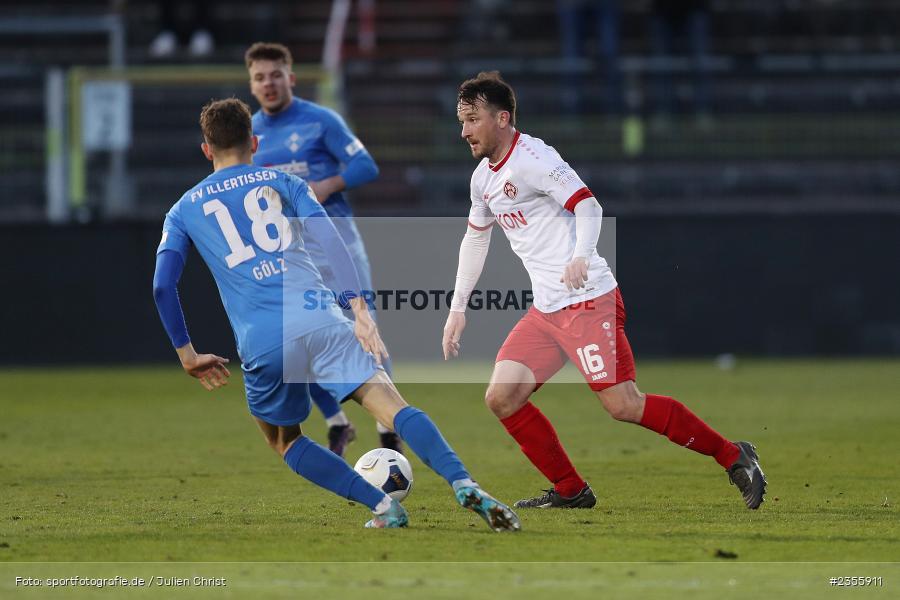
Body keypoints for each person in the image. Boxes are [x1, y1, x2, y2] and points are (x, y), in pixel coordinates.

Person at [152, 98, 520, 531]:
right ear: (254, 142)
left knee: (285, 440)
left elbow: (162, 285)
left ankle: (383, 508)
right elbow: (330, 241)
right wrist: (361, 311)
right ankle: (463, 482)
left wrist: (187, 355)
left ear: (206, 149)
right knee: (392, 406)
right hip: (322, 319)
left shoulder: (183, 208)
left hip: (263, 341)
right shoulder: (284, 182)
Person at [442, 71, 766, 510]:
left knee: (623, 404)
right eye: (461, 121)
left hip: (587, 299)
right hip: (548, 310)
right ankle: (571, 490)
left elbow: (588, 204)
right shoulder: (483, 179)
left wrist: (581, 254)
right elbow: (477, 238)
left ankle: (734, 456)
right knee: (501, 397)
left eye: (472, 119)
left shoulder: (535, 158)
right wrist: (458, 307)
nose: (464, 131)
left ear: (502, 118)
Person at [244, 42, 400, 457]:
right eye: (260, 77)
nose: (269, 83)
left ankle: (390, 428)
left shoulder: (320, 120)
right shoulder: (251, 134)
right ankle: (338, 423)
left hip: (337, 243)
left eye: (276, 74)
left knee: (366, 332)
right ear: (252, 84)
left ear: (290, 78)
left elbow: (366, 166)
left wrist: (323, 187)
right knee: (299, 342)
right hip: (291, 255)